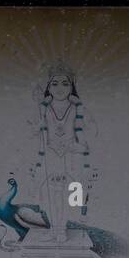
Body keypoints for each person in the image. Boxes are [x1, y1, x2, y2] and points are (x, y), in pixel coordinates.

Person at [31, 62, 95, 243]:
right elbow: (35, 133)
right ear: (48, 87)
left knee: (65, 194)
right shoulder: (43, 108)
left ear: (72, 87)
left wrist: (80, 148)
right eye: (55, 83)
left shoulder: (77, 109)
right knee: (51, 195)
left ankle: (62, 229)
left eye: (65, 83)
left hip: (69, 156)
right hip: (49, 156)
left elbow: (82, 133)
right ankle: (53, 229)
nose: (60, 88)